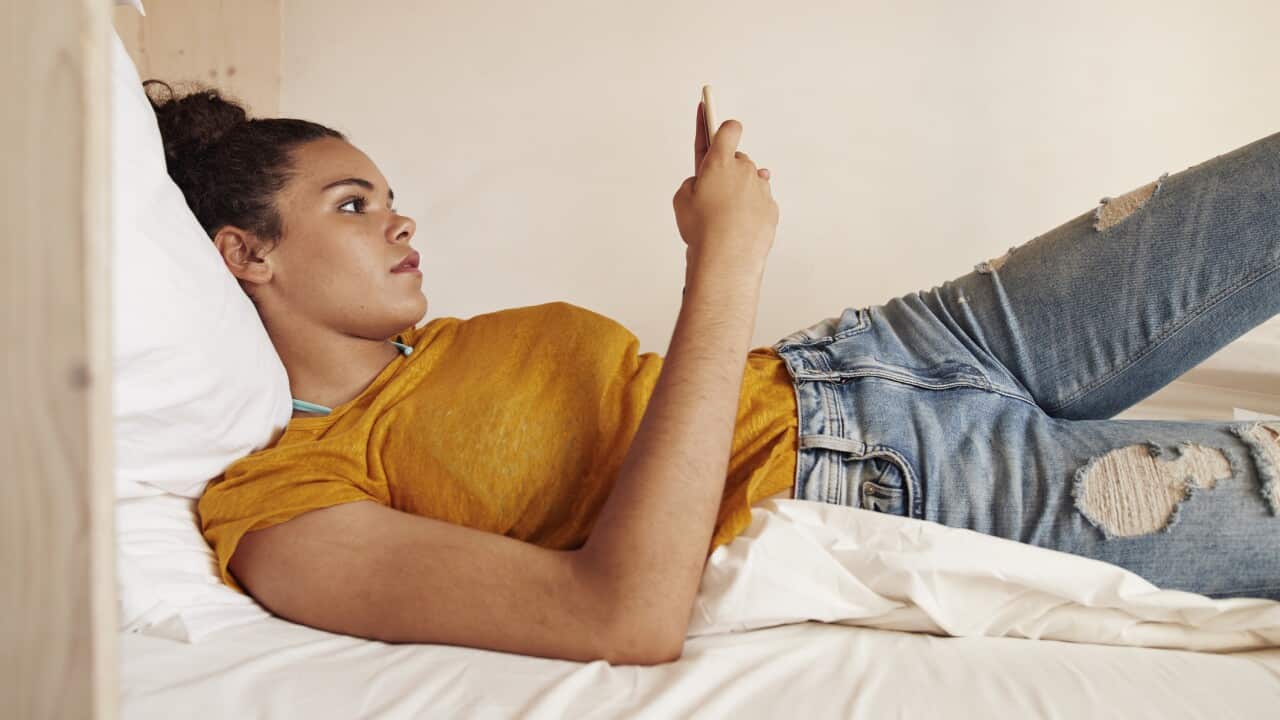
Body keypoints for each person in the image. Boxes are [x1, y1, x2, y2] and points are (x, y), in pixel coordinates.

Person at [146, 79, 1279, 666]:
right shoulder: (283, 504)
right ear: (246, 255)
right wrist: (723, 263)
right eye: (353, 206)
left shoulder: (440, 347)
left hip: (901, 345)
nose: (401, 223)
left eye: (392, 199)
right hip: (893, 484)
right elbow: (621, 617)